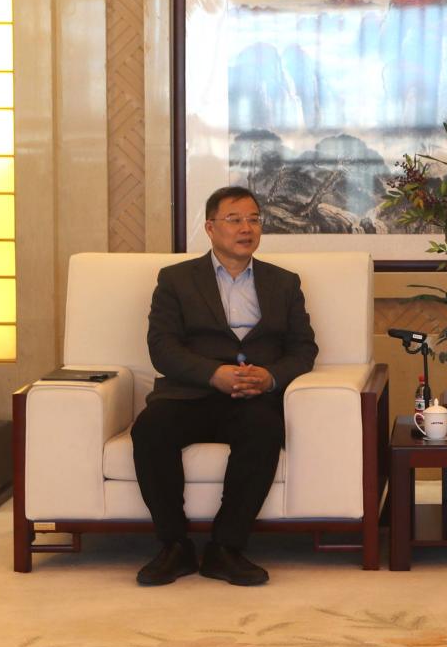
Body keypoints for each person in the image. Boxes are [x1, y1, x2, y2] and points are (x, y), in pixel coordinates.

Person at [131, 186, 318, 586]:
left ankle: (225, 548)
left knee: (264, 430)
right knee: (150, 428)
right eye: (234, 220)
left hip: (252, 398)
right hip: (190, 393)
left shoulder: (284, 283)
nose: (246, 228)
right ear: (210, 228)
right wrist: (212, 373)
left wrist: (270, 377)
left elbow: (304, 349)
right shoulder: (176, 280)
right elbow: (162, 347)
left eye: (254, 219)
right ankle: (174, 546)